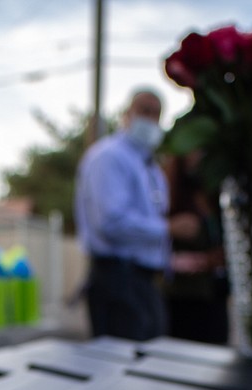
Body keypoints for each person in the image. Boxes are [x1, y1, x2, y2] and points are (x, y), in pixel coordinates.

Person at [74, 88, 199, 340]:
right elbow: (111, 223)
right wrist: (168, 229)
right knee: (122, 365)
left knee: (147, 360)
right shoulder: (110, 157)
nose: (150, 119)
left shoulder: (147, 164)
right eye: (144, 110)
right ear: (127, 114)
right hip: (118, 279)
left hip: (141, 280)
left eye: (156, 113)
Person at [161, 150, 230, 344]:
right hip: (182, 297)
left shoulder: (216, 197)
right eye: (192, 152)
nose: (198, 157)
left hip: (213, 295)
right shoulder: (170, 194)